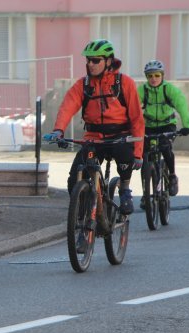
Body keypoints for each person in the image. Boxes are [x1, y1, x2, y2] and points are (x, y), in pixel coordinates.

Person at [44, 39, 144, 216]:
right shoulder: (83, 85)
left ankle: (125, 189)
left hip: (119, 136)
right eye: (88, 60)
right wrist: (58, 130)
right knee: (74, 179)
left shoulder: (124, 83)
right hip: (93, 137)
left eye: (95, 60)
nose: (90, 64)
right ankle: (83, 218)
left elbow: (137, 118)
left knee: (124, 156)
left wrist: (138, 153)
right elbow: (67, 106)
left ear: (108, 61)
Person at [138, 60, 189, 197]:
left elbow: (182, 105)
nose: (153, 79)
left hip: (167, 125)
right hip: (148, 126)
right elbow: (132, 108)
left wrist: (186, 126)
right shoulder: (142, 90)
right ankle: (146, 193)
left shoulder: (169, 89)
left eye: (156, 75)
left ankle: (172, 176)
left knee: (165, 147)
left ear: (162, 75)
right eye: (150, 76)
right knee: (144, 156)